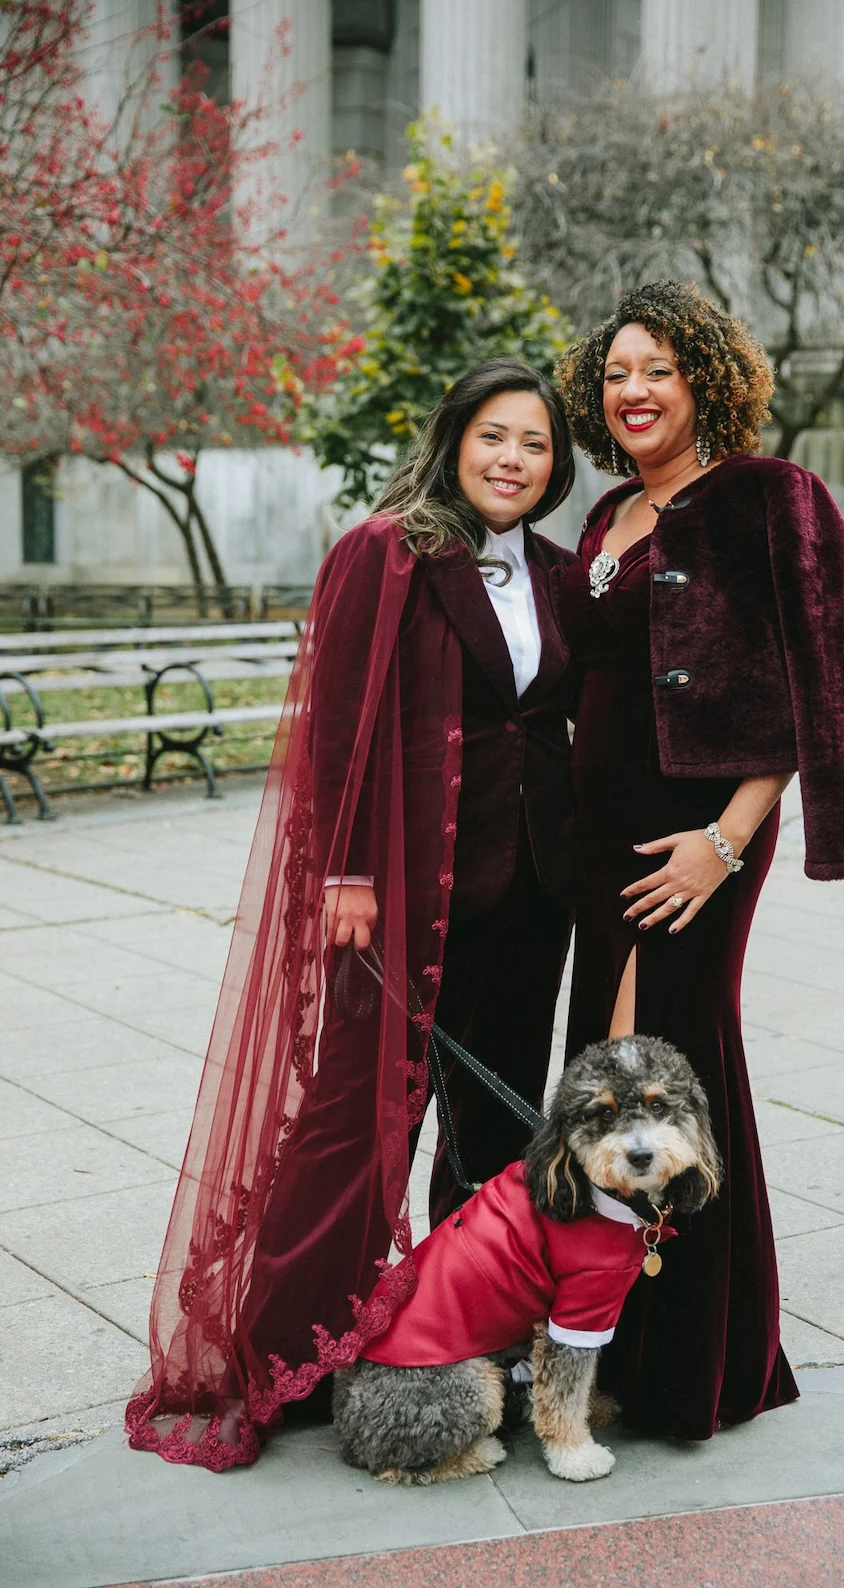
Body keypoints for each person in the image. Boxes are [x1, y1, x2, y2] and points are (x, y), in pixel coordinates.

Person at [126, 360, 580, 1469]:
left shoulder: (562, 575)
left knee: (497, 1128)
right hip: (408, 887)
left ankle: (466, 1332)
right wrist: (341, 875)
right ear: (453, 440)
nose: (513, 459)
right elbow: (338, 720)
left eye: (534, 444)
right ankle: (288, 1350)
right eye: (494, 437)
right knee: (358, 1115)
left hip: (535, 887)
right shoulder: (385, 551)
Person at [555, 280, 844, 1442]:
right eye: (614, 375)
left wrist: (727, 839)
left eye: (656, 368)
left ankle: (704, 1365)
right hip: (600, 844)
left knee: (681, 1072)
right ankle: (609, 1345)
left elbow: (825, 667)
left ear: (704, 377)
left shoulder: (765, 495)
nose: (634, 390)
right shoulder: (605, 516)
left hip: (696, 836)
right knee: (601, 1076)